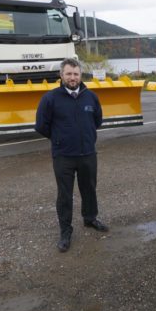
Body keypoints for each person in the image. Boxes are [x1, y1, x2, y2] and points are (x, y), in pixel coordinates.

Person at [35, 58, 108, 253]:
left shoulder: (90, 97)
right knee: (65, 195)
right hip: (63, 156)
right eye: (68, 74)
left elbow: (97, 121)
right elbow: (42, 126)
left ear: (80, 75)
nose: (72, 77)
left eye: (75, 74)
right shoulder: (50, 99)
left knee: (89, 189)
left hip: (87, 153)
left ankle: (90, 218)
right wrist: (59, 139)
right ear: (61, 75)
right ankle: (65, 231)